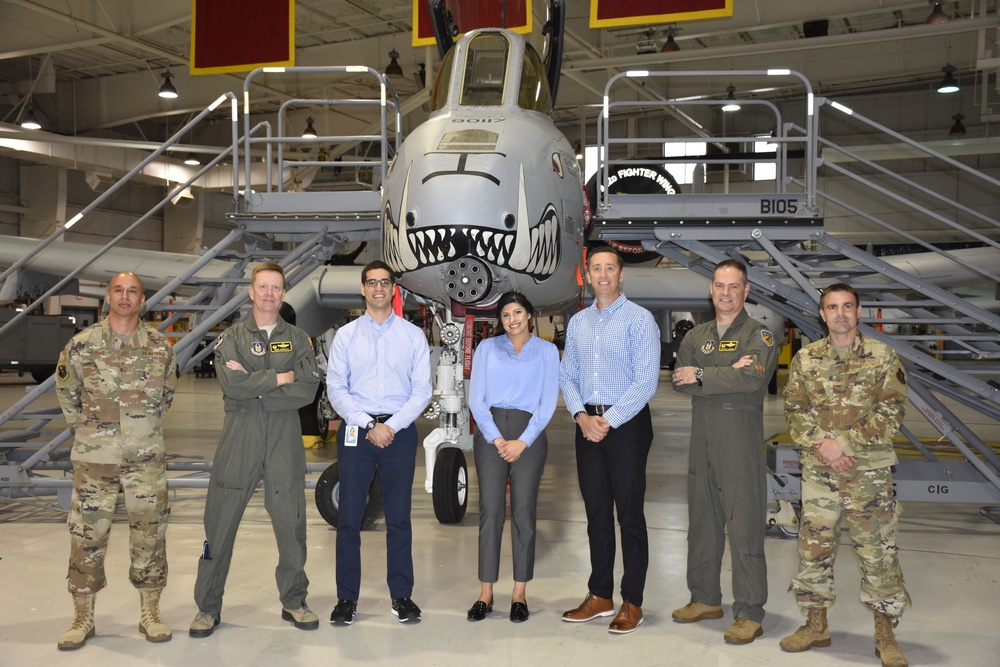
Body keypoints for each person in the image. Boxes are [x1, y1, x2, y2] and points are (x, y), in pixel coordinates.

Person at [780, 282, 910, 667]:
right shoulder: (806, 359)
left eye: (847, 306)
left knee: (878, 555)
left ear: (858, 312)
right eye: (832, 307)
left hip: (867, 474)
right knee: (814, 551)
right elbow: (794, 409)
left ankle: (885, 633)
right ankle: (816, 623)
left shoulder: (883, 357)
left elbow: (891, 413)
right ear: (822, 314)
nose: (840, 313)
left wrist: (845, 446)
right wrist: (824, 445)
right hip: (820, 473)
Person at [190, 263, 321, 637]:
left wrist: (255, 384)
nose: (269, 294)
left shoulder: (298, 339)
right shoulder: (231, 337)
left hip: (283, 438)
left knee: (291, 524)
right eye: (262, 287)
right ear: (251, 292)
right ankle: (208, 607)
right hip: (240, 438)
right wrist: (280, 377)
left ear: (283, 293)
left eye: (276, 288)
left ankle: (294, 601)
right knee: (220, 524)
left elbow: (308, 388)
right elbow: (231, 385)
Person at [55, 271, 178, 649]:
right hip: (96, 462)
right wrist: (93, 435)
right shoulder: (81, 345)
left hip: (145, 462)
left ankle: (151, 613)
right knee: (87, 537)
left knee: (150, 535)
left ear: (142, 301)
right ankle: (82, 616)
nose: (125, 297)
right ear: (108, 297)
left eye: (133, 292)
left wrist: (139, 434)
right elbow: (67, 393)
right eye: (119, 290)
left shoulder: (160, 347)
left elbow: (167, 396)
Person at [670, 258, 778, 644]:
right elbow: (679, 381)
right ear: (711, 289)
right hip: (701, 438)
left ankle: (749, 610)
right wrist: (724, 374)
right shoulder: (695, 337)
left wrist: (702, 374)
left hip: (739, 440)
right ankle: (705, 598)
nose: (726, 293)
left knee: (745, 525)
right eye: (720, 285)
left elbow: (751, 378)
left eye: (734, 286)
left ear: (746, 291)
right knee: (702, 523)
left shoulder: (759, 336)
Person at [558, 246, 660, 634]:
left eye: (610, 269)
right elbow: (567, 375)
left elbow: (646, 381)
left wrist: (608, 420)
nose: (603, 275)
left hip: (627, 425)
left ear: (621, 275)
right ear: (587, 274)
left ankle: (632, 601)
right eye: (596, 268)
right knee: (596, 514)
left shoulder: (639, 320)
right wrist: (582, 417)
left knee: (629, 515)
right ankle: (600, 595)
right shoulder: (578, 321)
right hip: (587, 424)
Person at [326, 261, 432, 625]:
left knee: (399, 518)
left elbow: (422, 391)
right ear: (362, 289)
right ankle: (346, 599)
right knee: (349, 519)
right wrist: (369, 424)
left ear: (393, 289)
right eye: (371, 283)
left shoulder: (412, 336)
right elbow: (336, 388)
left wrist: (392, 426)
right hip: (358, 431)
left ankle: (402, 596)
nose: (378, 289)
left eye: (384, 283)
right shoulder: (346, 336)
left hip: (399, 434)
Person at [466, 291, 559, 623]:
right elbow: (476, 399)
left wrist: (522, 441)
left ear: (529, 315)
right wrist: (498, 439)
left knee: (523, 513)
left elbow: (548, 402)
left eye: (518, 312)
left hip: (529, 433)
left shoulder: (547, 352)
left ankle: (519, 593)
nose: (512, 320)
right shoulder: (487, 349)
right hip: (491, 432)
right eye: (505, 315)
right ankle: (485, 593)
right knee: (490, 513)